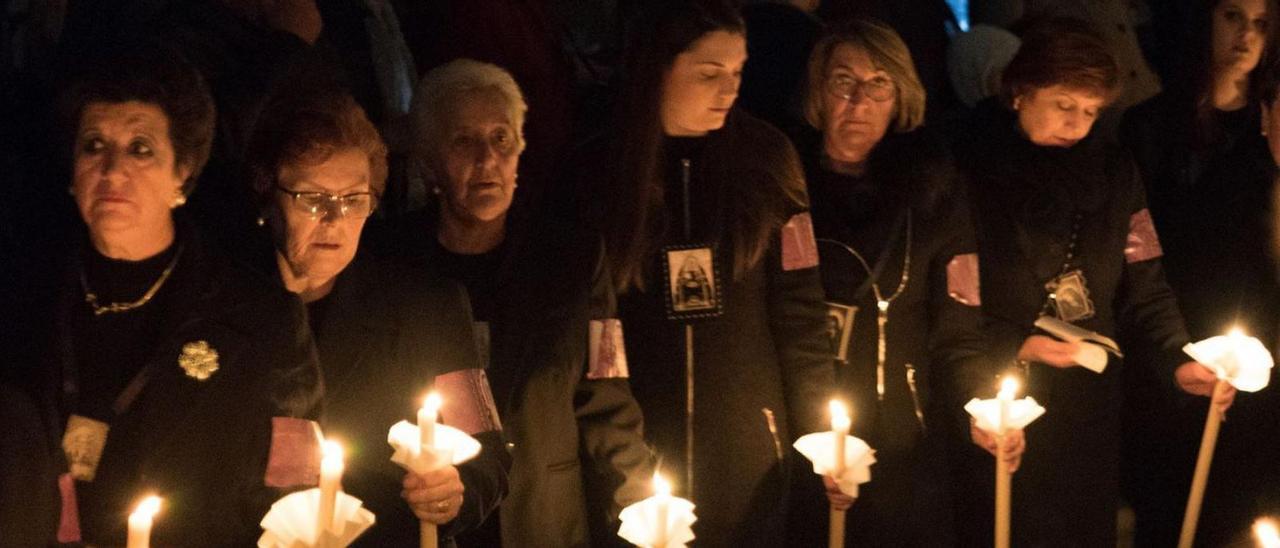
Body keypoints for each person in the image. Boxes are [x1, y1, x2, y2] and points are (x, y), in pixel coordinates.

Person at [6, 43, 323, 545]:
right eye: (93, 146)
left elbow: (297, 499)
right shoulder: (22, 295)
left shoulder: (257, 319)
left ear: (183, 173)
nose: (111, 171)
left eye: (140, 148)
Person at [953, 21, 1235, 546]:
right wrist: (1013, 348)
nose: (1077, 124)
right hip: (992, 398)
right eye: (1064, 104)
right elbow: (947, 302)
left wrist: (1178, 357)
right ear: (1020, 91)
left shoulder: (1113, 173)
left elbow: (1145, 282)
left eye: (1090, 111)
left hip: (1087, 409)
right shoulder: (964, 168)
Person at [577, 1, 834, 544]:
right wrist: (625, 469)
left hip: (750, 459)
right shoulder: (598, 170)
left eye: (738, 72)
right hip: (640, 460)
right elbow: (593, 336)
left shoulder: (768, 161)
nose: (729, 90)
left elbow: (802, 314)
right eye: (709, 73)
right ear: (658, 70)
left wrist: (821, 436)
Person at [389, 58, 652, 547]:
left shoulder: (571, 257)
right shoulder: (394, 264)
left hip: (544, 523)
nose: (487, 159)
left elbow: (607, 394)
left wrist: (643, 509)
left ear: (521, 148)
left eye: (501, 138)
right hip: (432, 527)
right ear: (427, 160)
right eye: (464, 141)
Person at [245, 89, 509, 546]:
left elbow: (485, 454)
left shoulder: (426, 307)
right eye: (311, 197)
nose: (333, 218)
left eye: (353, 200)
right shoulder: (221, 304)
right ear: (269, 197)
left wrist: (453, 495)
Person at [793, 18, 989, 546]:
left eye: (879, 84)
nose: (860, 100)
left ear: (900, 96)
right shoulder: (783, 188)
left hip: (906, 442)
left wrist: (984, 407)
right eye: (843, 81)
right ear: (818, 90)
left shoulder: (935, 194)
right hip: (805, 436)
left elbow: (959, 326)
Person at [1120, 1, 1280, 543]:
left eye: (1260, 24)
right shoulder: (1150, 127)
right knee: (1170, 509)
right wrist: (1166, 348)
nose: (1247, 36)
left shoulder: (1271, 128)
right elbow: (1137, 247)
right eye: (1234, 17)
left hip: (1259, 351)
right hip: (1172, 341)